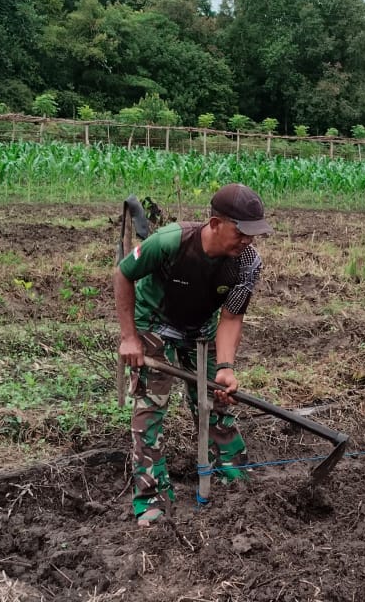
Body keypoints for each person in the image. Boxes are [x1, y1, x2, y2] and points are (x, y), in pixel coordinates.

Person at [115, 183, 273, 527]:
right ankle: (151, 499)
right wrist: (129, 338)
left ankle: (235, 483)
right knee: (150, 409)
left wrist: (226, 367)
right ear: (216, 224)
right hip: (154, 322)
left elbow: (231, 317)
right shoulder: (172, 241)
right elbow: (124, 274)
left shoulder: (247, 263)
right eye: (242, 232)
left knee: (217, 401)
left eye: (254, 234)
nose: (248, 241)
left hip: (200, 327)